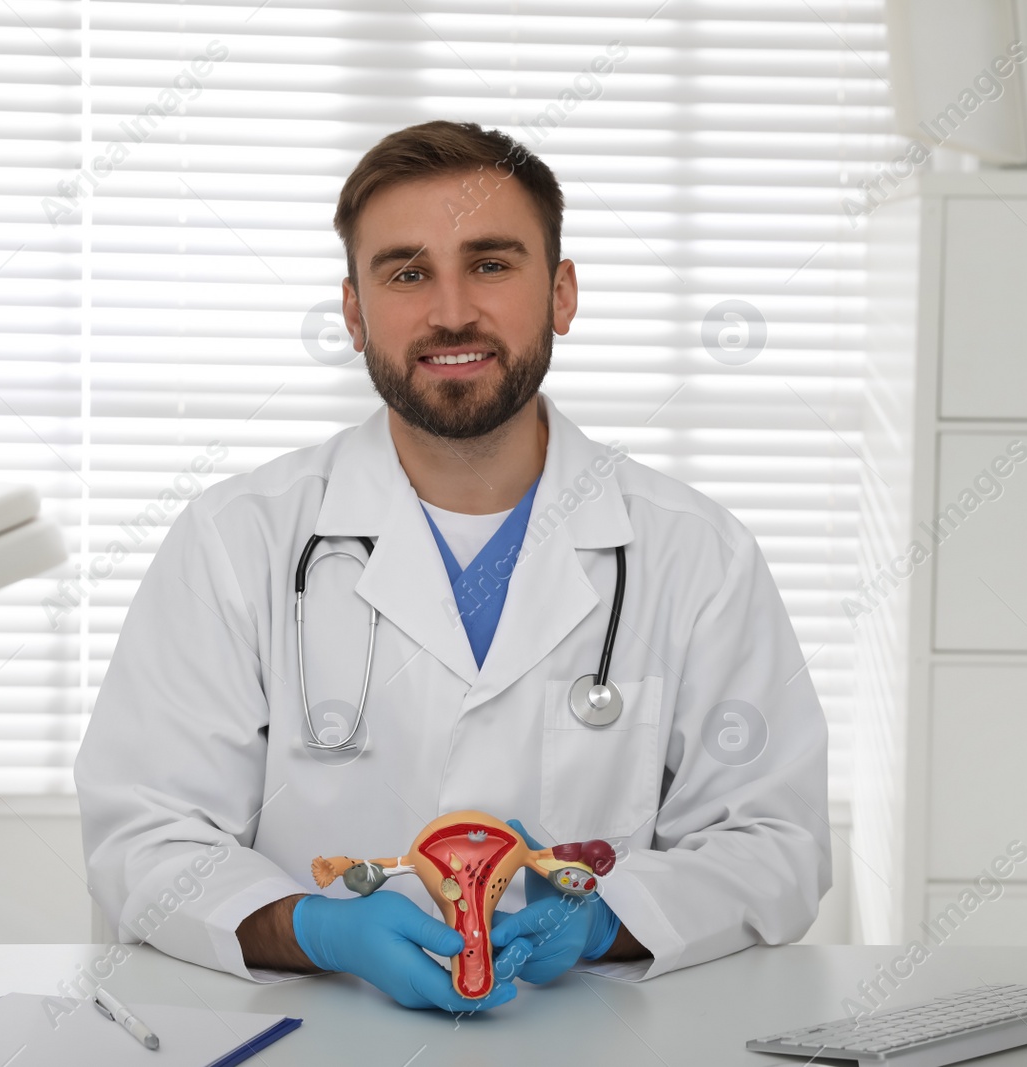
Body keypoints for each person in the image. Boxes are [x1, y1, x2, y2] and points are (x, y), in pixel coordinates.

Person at [74, 119, 830, 1013]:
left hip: (591, 1035)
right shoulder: (235, 542)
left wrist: (606, 919)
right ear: (354, 312)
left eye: (492, 263)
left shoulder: (696, 555)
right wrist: (311, 927)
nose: (451, 311)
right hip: (312, 1031)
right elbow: (145, 833)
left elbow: (775, 838)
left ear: (562, 293)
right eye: (405, 273)